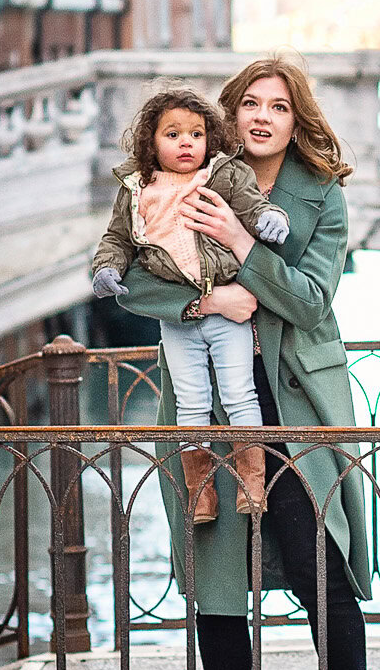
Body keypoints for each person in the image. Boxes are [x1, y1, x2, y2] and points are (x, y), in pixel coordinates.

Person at [113, 54, 373, 670]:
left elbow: (311, 301)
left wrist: (237, 241)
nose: (263, 116)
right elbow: (132, 281)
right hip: (205, 410)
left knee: (324, 566)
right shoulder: (178, 174)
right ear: (229, 114)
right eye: (251, 103)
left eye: (279, 107)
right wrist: (204, 301)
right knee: (216, 573)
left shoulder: (320, 195)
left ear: (298, 122)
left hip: (294, 407)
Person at [91, 86, 291, 519]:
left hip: (230, 313)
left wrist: (272, 219)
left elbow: (254, 207)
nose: (186, 143)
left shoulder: (223, 175)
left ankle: (251, 486)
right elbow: (117, 239)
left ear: (210, 140)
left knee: (240, 394)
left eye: (196, 134)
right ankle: (201, 491)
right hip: (179, 319)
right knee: (191, 402)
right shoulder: (135, 189)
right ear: (151, 142)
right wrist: (105, 268)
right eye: (173, 134)